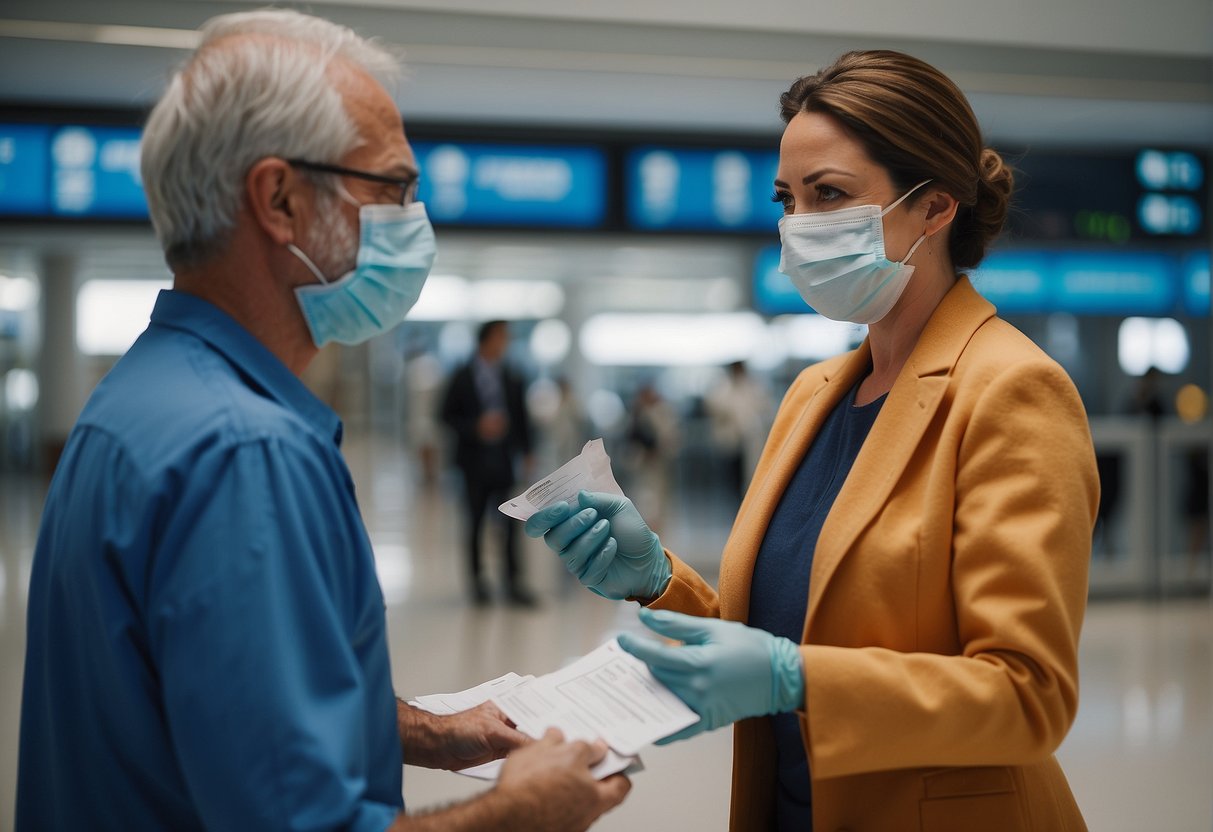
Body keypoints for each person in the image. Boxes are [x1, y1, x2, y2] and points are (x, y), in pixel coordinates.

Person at [16, 10, 628, 831]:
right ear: (280, 199)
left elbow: (225, 700)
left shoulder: (138, 401)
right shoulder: (244, 454)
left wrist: (434, 733)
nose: (414, 221)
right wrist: (525, 812)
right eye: (392, 189)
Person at [527, 50, 1098, 831]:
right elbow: (784, 636)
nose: (798, 226)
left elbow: (1028, 696)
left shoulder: (1008, 391)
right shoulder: (813, 396)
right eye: (786, 200)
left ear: (933, 209)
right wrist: (659, 578)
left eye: (828, 195)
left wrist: (795, 681)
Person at [441, 320, 537, 606]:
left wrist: (528, 451)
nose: (505, 342)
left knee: (510, 523)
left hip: (503, 461)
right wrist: (476, 427)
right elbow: (445, 416)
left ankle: (512, 582)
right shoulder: (462, 375)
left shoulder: (512, 376)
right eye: (501, 337)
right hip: (473, 462)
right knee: (475, 522)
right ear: (487, 339)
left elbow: (522, 419)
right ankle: (477, 584)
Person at [704, 360, 774, 501]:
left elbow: (765, 407)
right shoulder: (723, 387)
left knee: (751, 476)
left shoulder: (753, 386)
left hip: (752, 440)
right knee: (733, 480)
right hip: (731, 442)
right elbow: (715, 407)